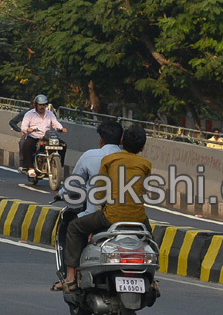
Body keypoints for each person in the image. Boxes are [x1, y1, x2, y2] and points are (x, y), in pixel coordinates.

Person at [56, 124, 152, 293]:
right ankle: (151, 280)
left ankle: (70, 278)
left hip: (111, 216)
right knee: (149, 239)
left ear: (123, 141)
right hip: (138, 217)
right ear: (143, 147)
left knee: (74, 227)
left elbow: (99, 192)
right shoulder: (145, 164)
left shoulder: (109, 160)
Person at [69, 120, 125, 219]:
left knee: (73, 228)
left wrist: (61, 193)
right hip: (124, 217)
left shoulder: (90, 156)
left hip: (96, 216)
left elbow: (74, 183)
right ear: (121, 140)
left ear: (101, 140)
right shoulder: (129, 160)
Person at [19, 94, 67, 178]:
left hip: (46, 137)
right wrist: (27, 129)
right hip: (34, 136)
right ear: (36, 105)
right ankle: (30, 168)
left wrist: (61, 128)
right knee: (27, 145)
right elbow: (24, 126)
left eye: (44, 105)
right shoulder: (29, 114)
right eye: (40, 105)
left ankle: (58, 165)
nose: (42, 107)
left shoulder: (50, 114)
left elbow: (55, 123)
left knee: (63, 145)